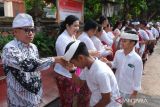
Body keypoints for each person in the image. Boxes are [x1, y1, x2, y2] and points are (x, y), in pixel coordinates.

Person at [1, 13, 66, 107]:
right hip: (18, 101)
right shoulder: (9, 48)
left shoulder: (33, 47)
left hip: (35, 98)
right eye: (27, 30)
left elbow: (36, 69)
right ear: (15, 32)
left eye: (32, 30)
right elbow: (27, 65)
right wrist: (54, 59)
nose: (31, 33)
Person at [64, 40, 121, 107]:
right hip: (97, 101)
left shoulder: (101, 72)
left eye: (74, 62)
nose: (75, 65)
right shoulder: (87, 66)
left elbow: (107, 99)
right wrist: (72, 71)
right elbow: (79, 83)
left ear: (81, 58)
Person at [55, 15, 90, 107]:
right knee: (67, 100)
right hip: (64, 74)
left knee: (70, 98)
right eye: (75, 25)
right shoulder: (63, 39)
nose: (77, 28)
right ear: (67, 26)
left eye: (78, 26)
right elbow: (68, 58)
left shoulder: (72, 36)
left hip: (71, 72)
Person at [104, 31, 143, 107]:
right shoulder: (118, 53)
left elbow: (137, 78)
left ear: (132, 43)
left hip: (128, 91)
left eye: (124, 41)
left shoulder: (137, 59)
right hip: (116, 88)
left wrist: (134, 94)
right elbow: (114, 64)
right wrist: (108, 62)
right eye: (122, 40)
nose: (121, 43)